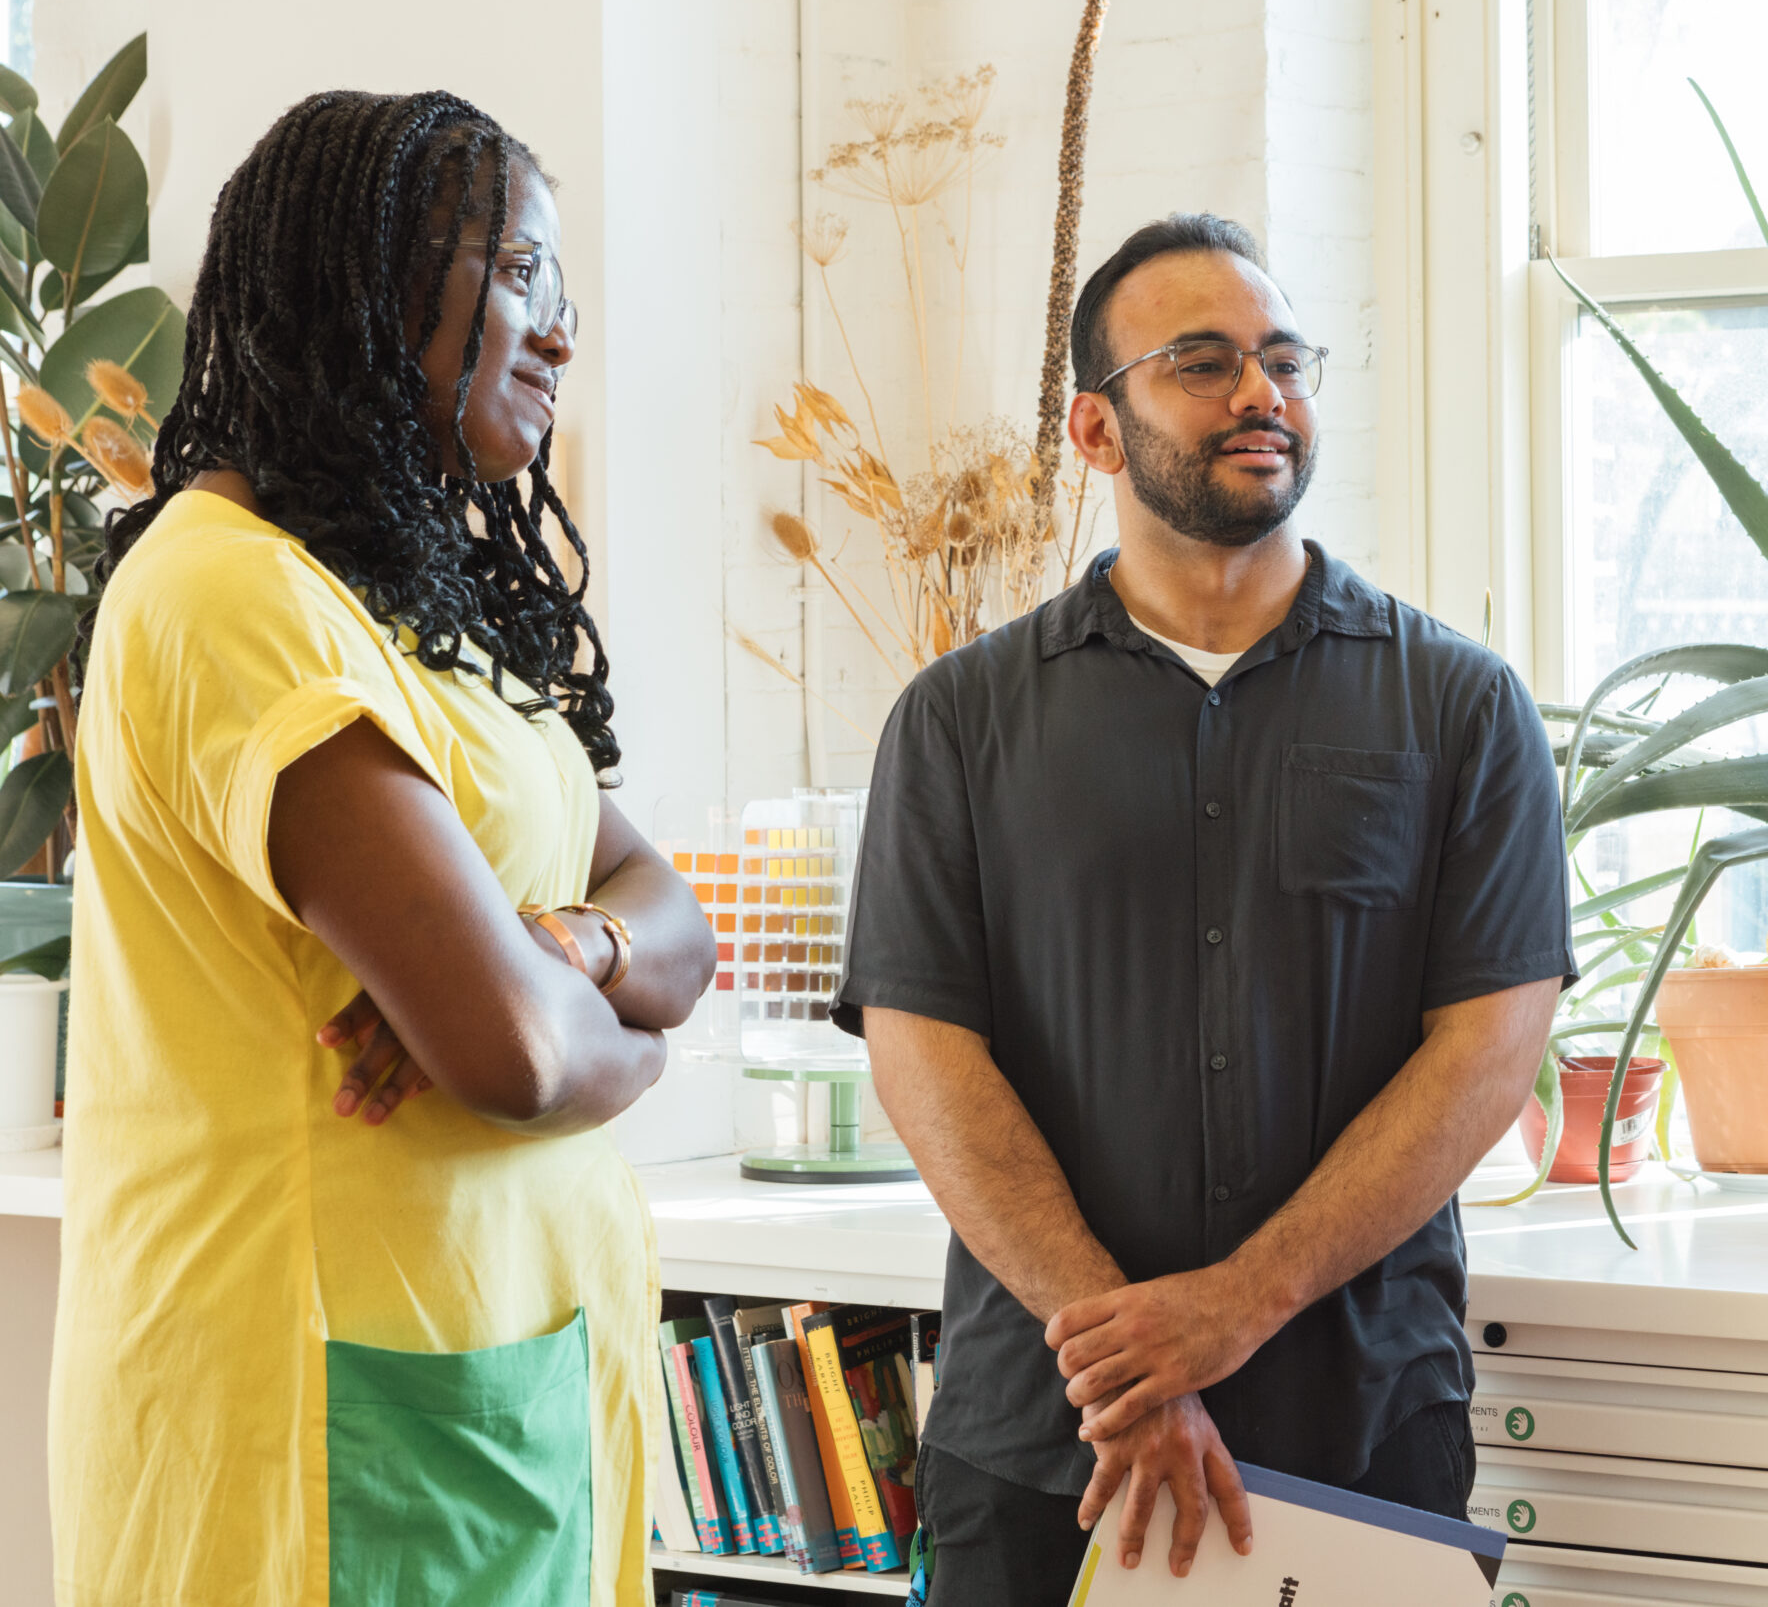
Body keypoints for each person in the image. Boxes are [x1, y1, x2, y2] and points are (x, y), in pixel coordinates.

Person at [836, 212, 1574, 1602]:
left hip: (1363, 1428)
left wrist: (1241, 1305)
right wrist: (1126, 1358)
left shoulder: (1461, 706)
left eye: (1284, 359)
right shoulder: (958, 721)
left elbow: (1489, 1048)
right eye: (1202, 362)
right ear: (1097, 433)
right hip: (1048, 1442)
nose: (1260, 392)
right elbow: (926, 1054)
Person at [53, 91, 716, 1606]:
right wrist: (625, 1038)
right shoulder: (224, 595)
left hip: (501, 1376)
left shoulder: (420, 612)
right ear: (371, 280)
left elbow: (668, 915)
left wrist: (576, 952)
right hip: (319, 1398)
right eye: (521, 277)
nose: (557, 334)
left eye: (564, 291)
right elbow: (517, 1062)